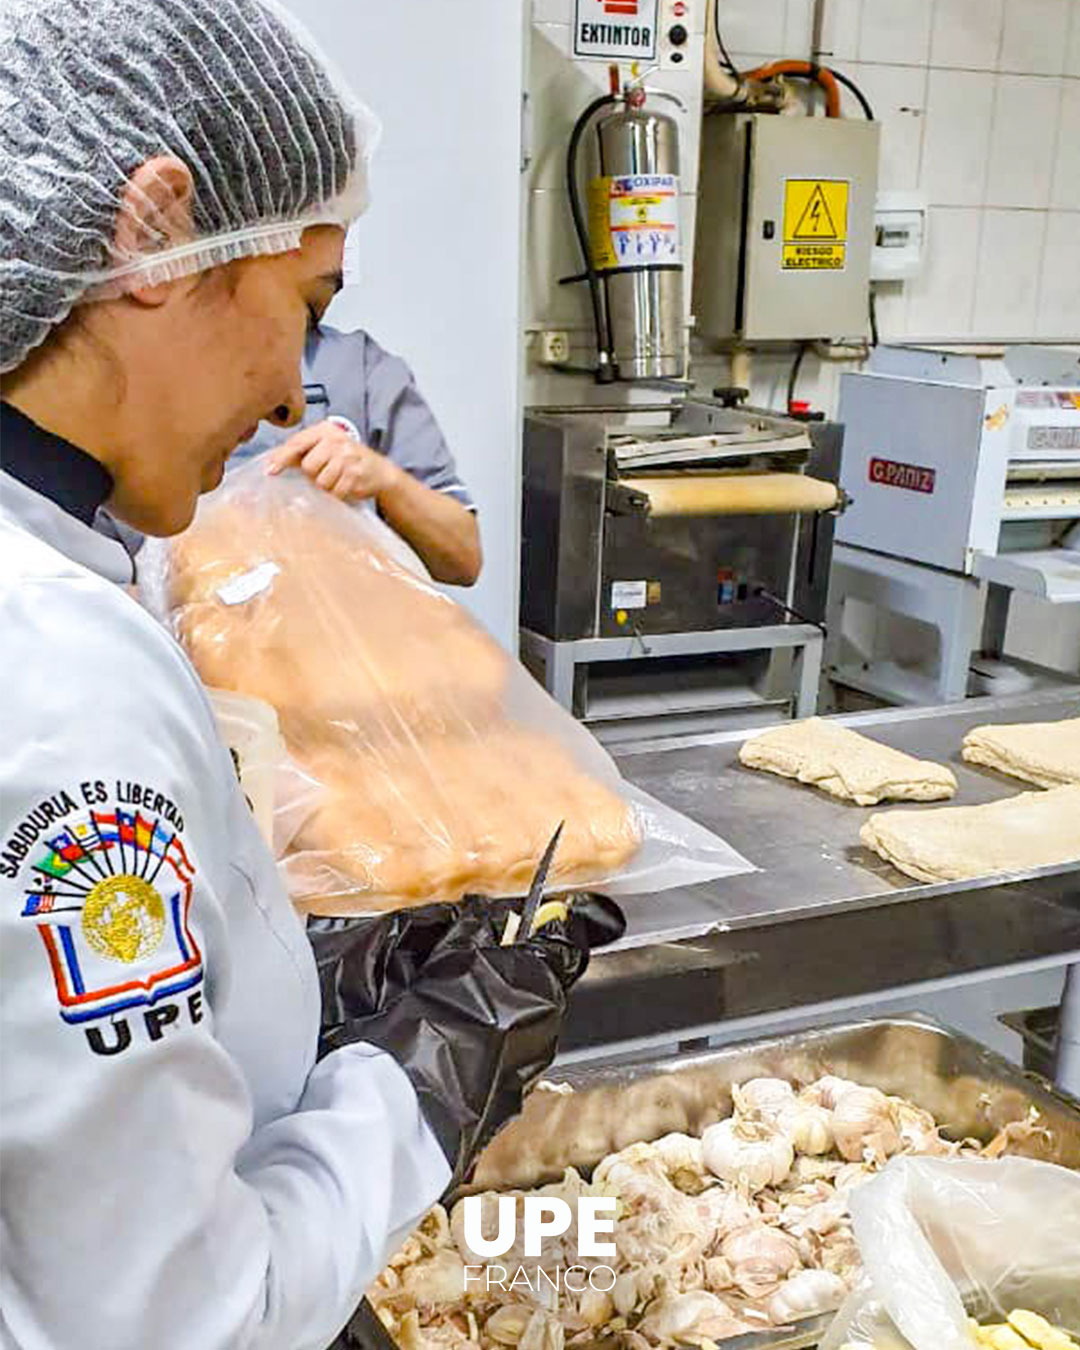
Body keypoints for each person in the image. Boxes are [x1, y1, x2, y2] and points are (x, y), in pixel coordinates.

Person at [0, 3, 594, 1347]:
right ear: (155, 236)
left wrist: (290, 965)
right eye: (306, 305)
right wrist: (425, 1075)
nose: (289, 396)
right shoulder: (59, 680)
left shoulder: (66, 566)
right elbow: (172, 1316)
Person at [236, 322, 482, 587]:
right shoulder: (190, 364)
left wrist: (386, 479)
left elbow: (464, 560)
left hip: (347, 612)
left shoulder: (362, 367)